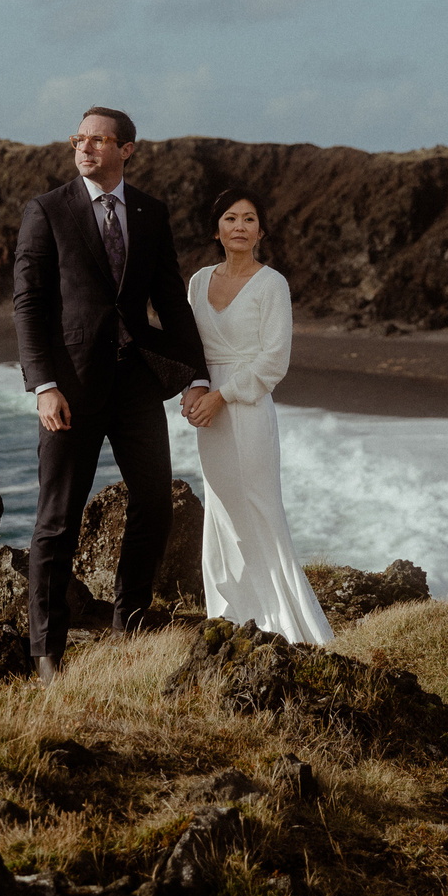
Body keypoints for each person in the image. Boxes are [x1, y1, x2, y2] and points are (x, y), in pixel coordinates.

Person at [13, 107, 210, 680]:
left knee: (154, 501)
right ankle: (47, 653)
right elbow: (27, 303)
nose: (85, 148)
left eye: (99, 141)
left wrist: (196, 374)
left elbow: (171, 299)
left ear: (128, 149)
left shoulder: (150, 212)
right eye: (80, 139)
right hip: (70, 387)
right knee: (57, 519)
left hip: (136, 383)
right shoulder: (47, 210)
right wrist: (43, 385)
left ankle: (131, 620)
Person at [179, 191, 335, 646]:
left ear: (261, 231)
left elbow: (273, 362)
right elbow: (191, 350)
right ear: (217, 230)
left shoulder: (272, 285)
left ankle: (286, 623)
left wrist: (221, 395)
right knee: (222, 510)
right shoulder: (198, 282)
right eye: (231, 218)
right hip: (207, 410)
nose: (240, 226)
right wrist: (194, 391)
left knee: (261, 507)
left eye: (250, 219)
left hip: (246, 407)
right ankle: (229, 613)